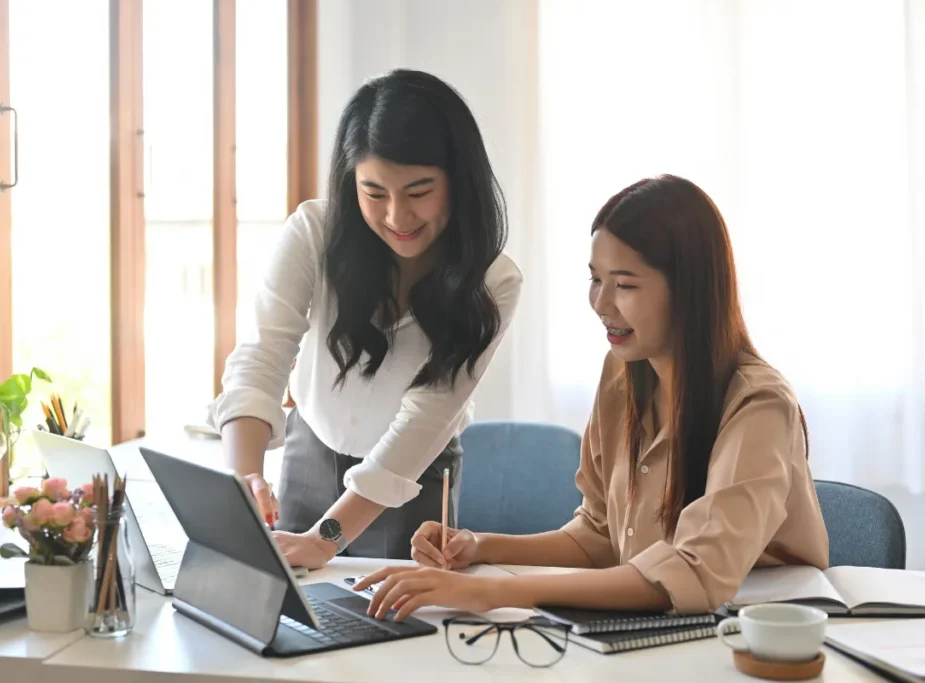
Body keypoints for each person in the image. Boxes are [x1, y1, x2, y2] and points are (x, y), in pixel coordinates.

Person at [353, 174, 829, 620]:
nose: (600, 304)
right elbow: (600, 537)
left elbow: (697, 574)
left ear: (690, 291)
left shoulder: (759, 405)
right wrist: (479, 546)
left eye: (623, 285)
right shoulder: (623, 374)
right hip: (660, 636)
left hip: (759, 642)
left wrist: (494, 592)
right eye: (595, 280)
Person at [208, 69, 523, 569]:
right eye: (374, 192)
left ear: (457, 183)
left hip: (413, 471)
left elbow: (427, 418)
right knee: (295, 611)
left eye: (419, 191)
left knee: (398, 623)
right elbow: (262, 357)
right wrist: (243, 480)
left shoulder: (493, 281)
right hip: (311, 448)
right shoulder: (315, 232)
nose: (397, 216)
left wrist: (326, 537)